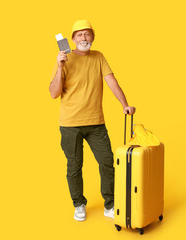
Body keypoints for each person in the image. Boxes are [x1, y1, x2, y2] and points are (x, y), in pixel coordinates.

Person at [49, 20, 136, 222]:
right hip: (70, 124)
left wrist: (125, 104)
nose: (84, 38)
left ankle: (110, 204)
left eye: (87, 34)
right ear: (72, 39)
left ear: (93, 37)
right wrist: (60, 66)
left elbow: (112, 81)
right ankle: (79, 204)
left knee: (107, 162)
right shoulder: (65, 58)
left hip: (96, 122)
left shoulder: (99, 57)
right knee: (74, 166)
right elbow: (54, 93)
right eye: (79, 35)